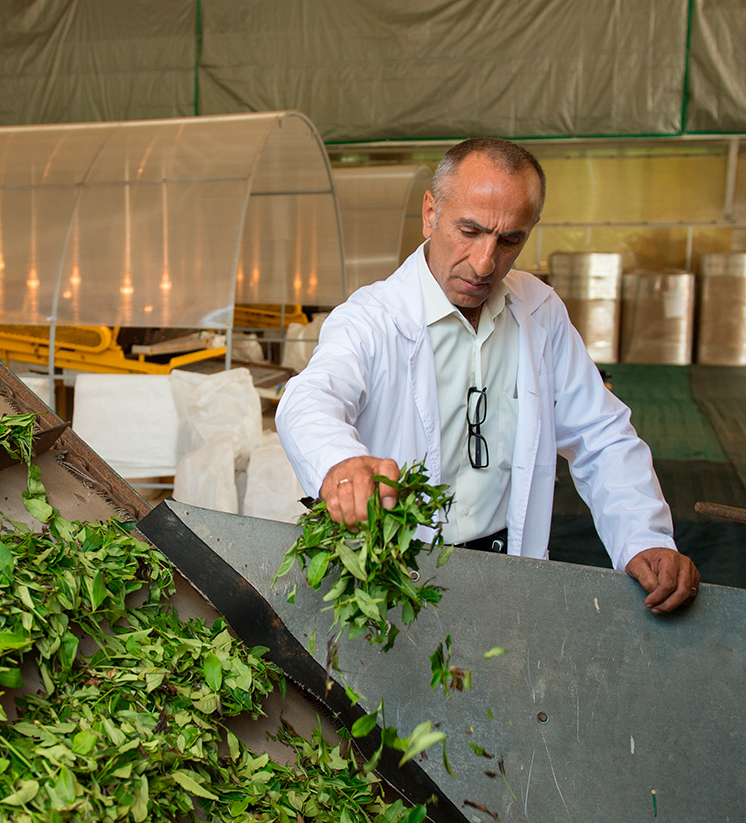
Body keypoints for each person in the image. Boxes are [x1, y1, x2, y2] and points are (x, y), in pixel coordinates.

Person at [275, 137, 700, 614]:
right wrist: (341, 462)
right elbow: (308, 398)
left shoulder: (539, 311)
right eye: (470, 230)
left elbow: (600, 434)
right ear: (430, 213)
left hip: (506, 565)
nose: (484, 263)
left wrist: (643, 536)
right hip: (396, 573)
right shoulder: (373, 318)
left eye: (510, 240)